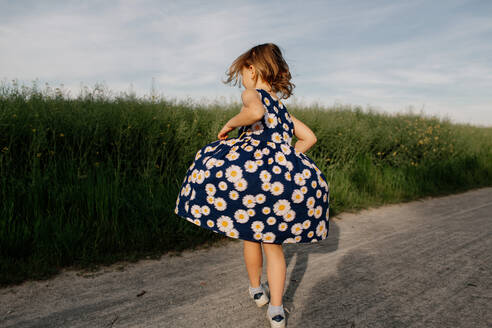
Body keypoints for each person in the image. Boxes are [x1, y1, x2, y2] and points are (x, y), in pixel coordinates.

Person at [174, 43, 330, 328]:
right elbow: (309, 138)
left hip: (253, 182)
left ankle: (256, 288)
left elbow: (255, 113)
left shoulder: (252, 94)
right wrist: (288, 159)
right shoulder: (283, 111)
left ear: (251, 69)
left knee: (250, 235)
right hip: (278, 184)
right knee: (274, 246)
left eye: (242, 74)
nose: (242, 81)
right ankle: (277, 310)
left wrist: (230, 124)